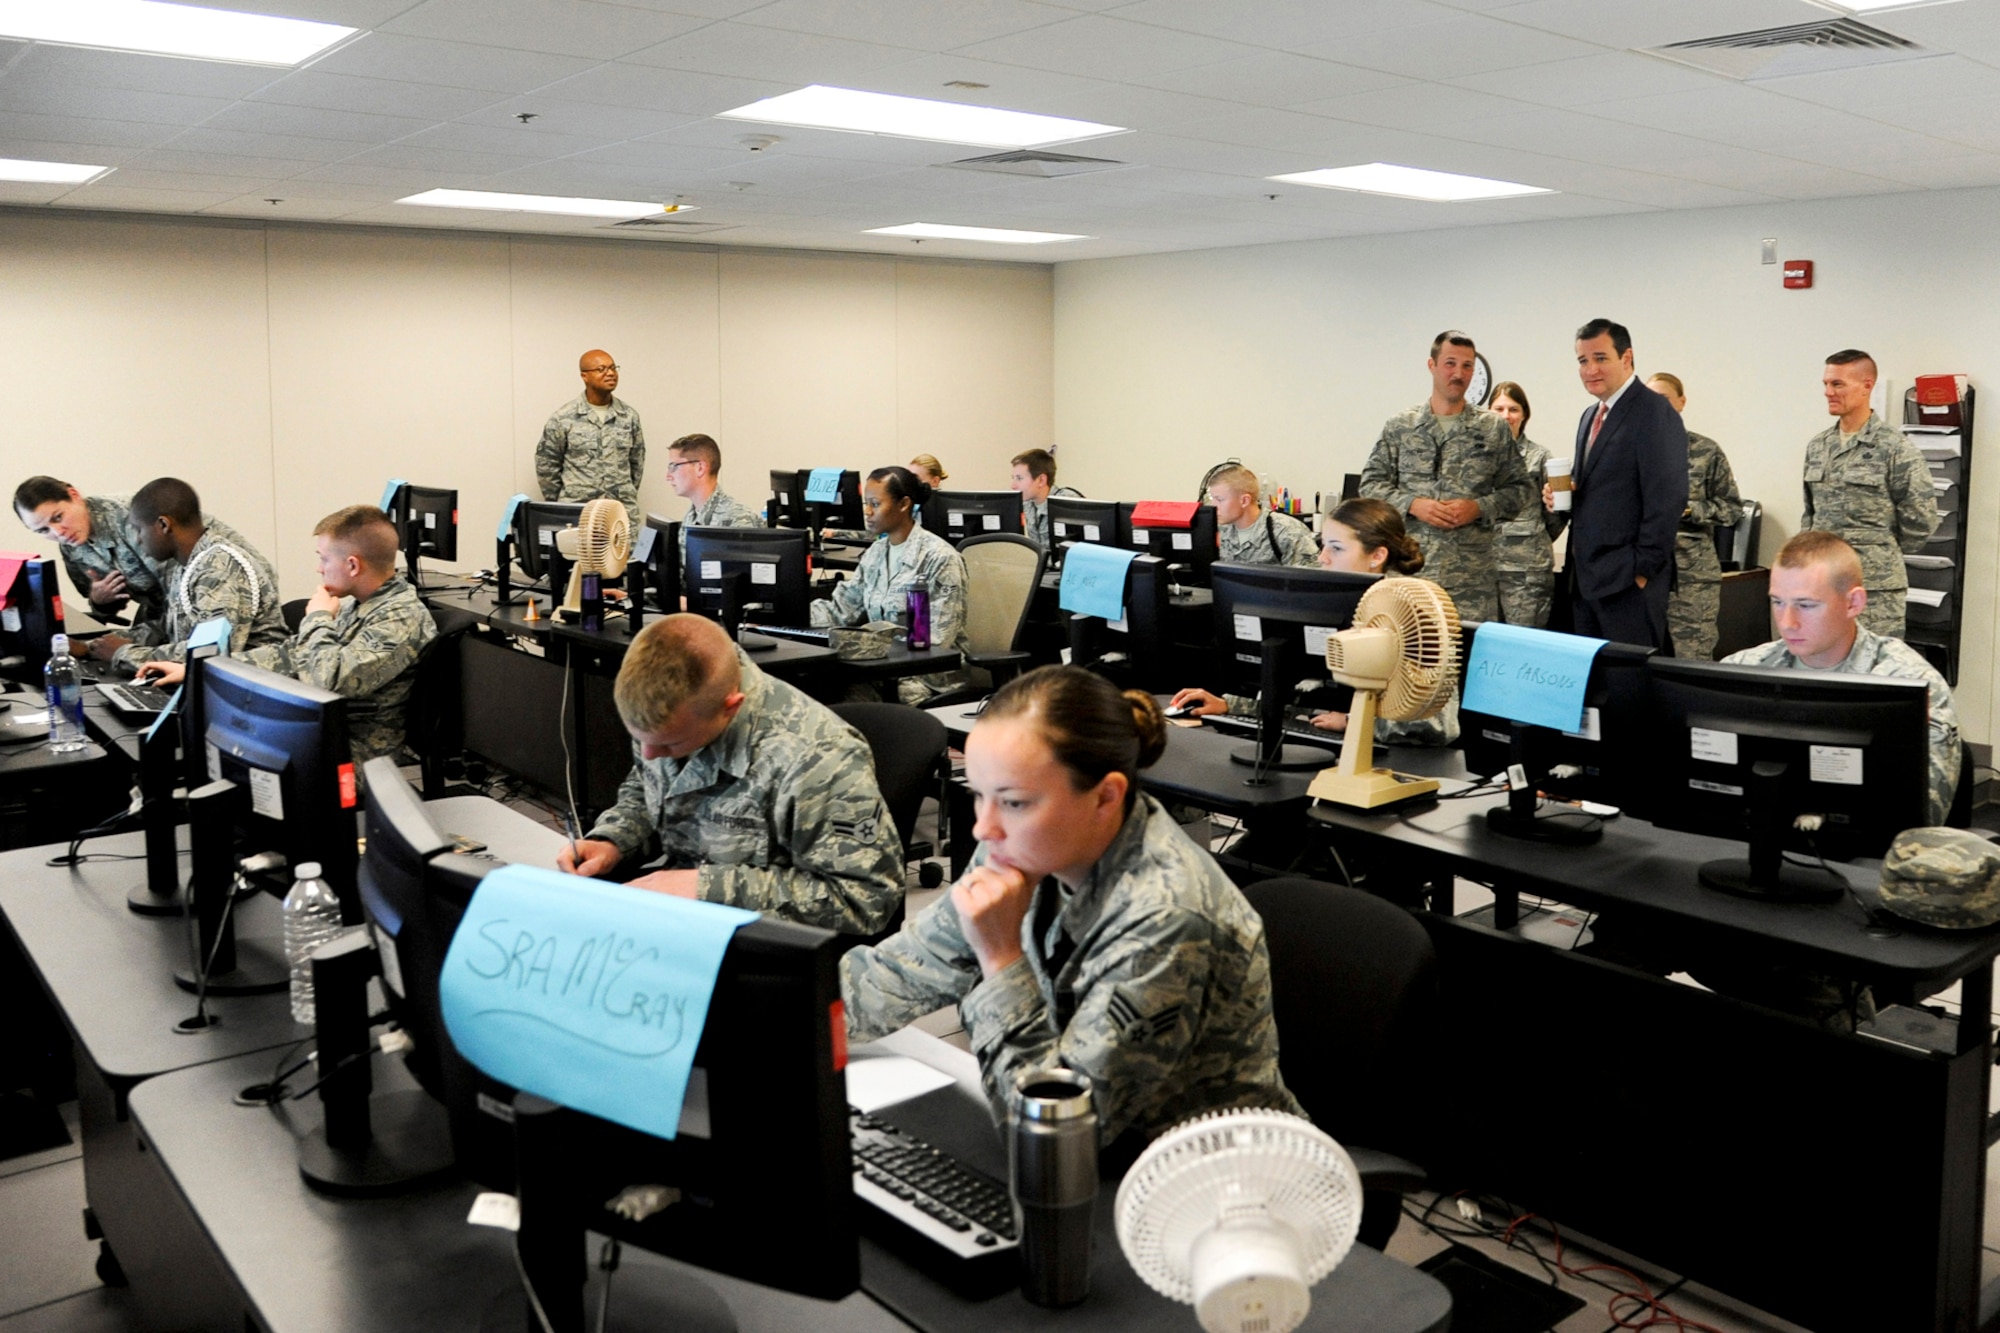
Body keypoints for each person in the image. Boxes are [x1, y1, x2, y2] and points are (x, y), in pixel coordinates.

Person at [841, 666, 1302, 1146]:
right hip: (1104, 1164)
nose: (984, 828)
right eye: (980, 796)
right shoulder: (1022, 844)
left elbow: (1060, 1137)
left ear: (1105, 797)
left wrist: (1000, 961)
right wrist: (786, 1018)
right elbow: (896, 972)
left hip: (1211, 1183)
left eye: (1014, 802)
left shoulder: (1165, 917)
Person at [557, 614, 903, 936]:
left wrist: (706, 888)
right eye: (641, 741)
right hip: (686, 920)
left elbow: (866, 898)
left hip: (768, 948)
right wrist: (613, 840)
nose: (649, 755)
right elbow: (647, 790)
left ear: (730, 708)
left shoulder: (815, 757)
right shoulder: (673, 718)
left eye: (669, 744)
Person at [138, 506, 437, 764]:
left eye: (324, 559)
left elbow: (326, 681)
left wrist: (318, 618)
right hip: (322, 729)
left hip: (359, 750)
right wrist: (200, 670)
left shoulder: (400, 617)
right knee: (215, 732)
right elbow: (289, 655)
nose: (318, 569)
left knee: (225, 746)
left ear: (353, 565)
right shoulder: (361, 605)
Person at [1169, 497, 1458, 746]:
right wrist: (1230, 705)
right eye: (1323, 546)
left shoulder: (1415, 615)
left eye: (1337, 548)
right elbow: (1304, 692)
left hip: (1389, 757)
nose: (1322, 558)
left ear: (1377, 555)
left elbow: (1437, 726)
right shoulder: (1329, 604)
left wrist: (1352, 721)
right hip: (1317, 739)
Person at [1724, 531, 1958, 826]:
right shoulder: (1745, 669)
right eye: (1778, 603)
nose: (1787, 622)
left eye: (1806, 605)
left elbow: (1919, 814)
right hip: (1748, 842)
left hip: (1864, 862)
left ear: (1853, 603)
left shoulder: (1905, 683)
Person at [1359, 330, 1530, 624]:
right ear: (1432, 365)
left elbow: (1520, 490)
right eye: (1450, 364)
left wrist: (1478, 508)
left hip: (1470, 582)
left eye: (1467, 366)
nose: (1458, 374)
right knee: (1406, 657)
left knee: (1463, 662)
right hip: (1410, 573)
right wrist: (1413, 504)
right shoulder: (1401, 426)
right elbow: (1370, 486)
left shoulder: (1492, 429)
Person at [1545, 318, 1687, 650]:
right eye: (1583, 361)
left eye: (1600, 358)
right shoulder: (1590, 416)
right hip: (1586, 580)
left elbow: (1668, 499)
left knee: (1630, 690)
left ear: (1626, 358)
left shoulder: (1654, 412)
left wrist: (1641, 572)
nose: (1590, 369)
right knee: (1596, 693)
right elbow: (1600, 486)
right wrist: (1562, 494)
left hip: (1627, 582)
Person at [1801, 350, 1938, 639]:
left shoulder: (1895, 448)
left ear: (1867, 386)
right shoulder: (1818, 446)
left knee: (1875, 676)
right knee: (1825, 673)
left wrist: (1878, 553)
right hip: (1824, 583)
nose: (1828, 392)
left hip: (1875, 589)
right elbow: (1810, 514)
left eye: (1838, 384)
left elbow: (1921, 520)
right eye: (1826, 384)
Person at [808, 466, 970, 705]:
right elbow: (842, 609)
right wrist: (788, 612)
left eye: (875, 503)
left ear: (904, 504)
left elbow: (936, 640)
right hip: (882, 668)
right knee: (813, 682)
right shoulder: (876, 553)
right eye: (866, 503)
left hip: (927, 678)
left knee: (842, 695)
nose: (867, 511)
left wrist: (874, 647)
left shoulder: (939, 558)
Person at [90, 478, 287, 668]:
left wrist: (124, 653)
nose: (139, 540)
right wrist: (97, 645)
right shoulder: (187, 563)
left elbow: (209, 653)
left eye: (139, 529)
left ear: (164, 525)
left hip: (255, 691)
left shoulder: (219, 568)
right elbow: (168, 630)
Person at [1648, 373, 1743, 661]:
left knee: (1693, 658)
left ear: (1681, 402)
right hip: (1646, 572)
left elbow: (1731, 507)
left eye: (1663, 400)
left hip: (1692, 574)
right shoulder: (1632, 450)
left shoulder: (1705, 451)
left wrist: (1690, 509)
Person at [13, 476, 171, 627]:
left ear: (74, 495)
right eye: (43, 530)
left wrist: (128, 648)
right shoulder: (71, 546)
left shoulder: (133, 518)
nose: (58, 532)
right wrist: (99, 601)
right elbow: (105, 611)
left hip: (186, 608)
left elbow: (184, 593)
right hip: (158, 612)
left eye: (58, 517)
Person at [535, 349, 646, 530]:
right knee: (576, 559)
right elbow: (547, 467)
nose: (610, 373)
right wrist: (565, 502)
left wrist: (622, 493)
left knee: (626, 559)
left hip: (620, 515)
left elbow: (636, 464)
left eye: (613, 368)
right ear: (584, 376)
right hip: (579, 515)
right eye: (601, 369)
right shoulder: (563, 418)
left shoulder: (628, 416)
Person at [1487, 382, 1561, 628]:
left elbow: (1556, 514)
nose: (1506, 415)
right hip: (1481, 571)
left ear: (1524, 414)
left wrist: (1533, 540)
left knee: (1523, 645)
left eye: (1513, 409)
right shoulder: (1473, 458)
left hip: (1526, 572)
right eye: (1498, 408)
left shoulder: (1540, 457)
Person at [666, 433, 760, 573]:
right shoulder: (691, 516)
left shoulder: (737, 519)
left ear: (700, 468)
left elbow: (741, 586)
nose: (668, 476)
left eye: (674, 466)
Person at [1207, 465, 1316, 568]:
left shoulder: (1287, 531)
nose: (1214, 506)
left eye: (1220, 500)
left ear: (1244, 501)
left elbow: (1310, 580)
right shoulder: (1217, 529)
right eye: (1213, 500)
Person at [1010, 447, 1057, 549]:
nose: (1013, 486)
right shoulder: (1027, 504)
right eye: (1013, 478)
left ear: (1041, 480)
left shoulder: (1068, 504)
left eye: (1019, 478)